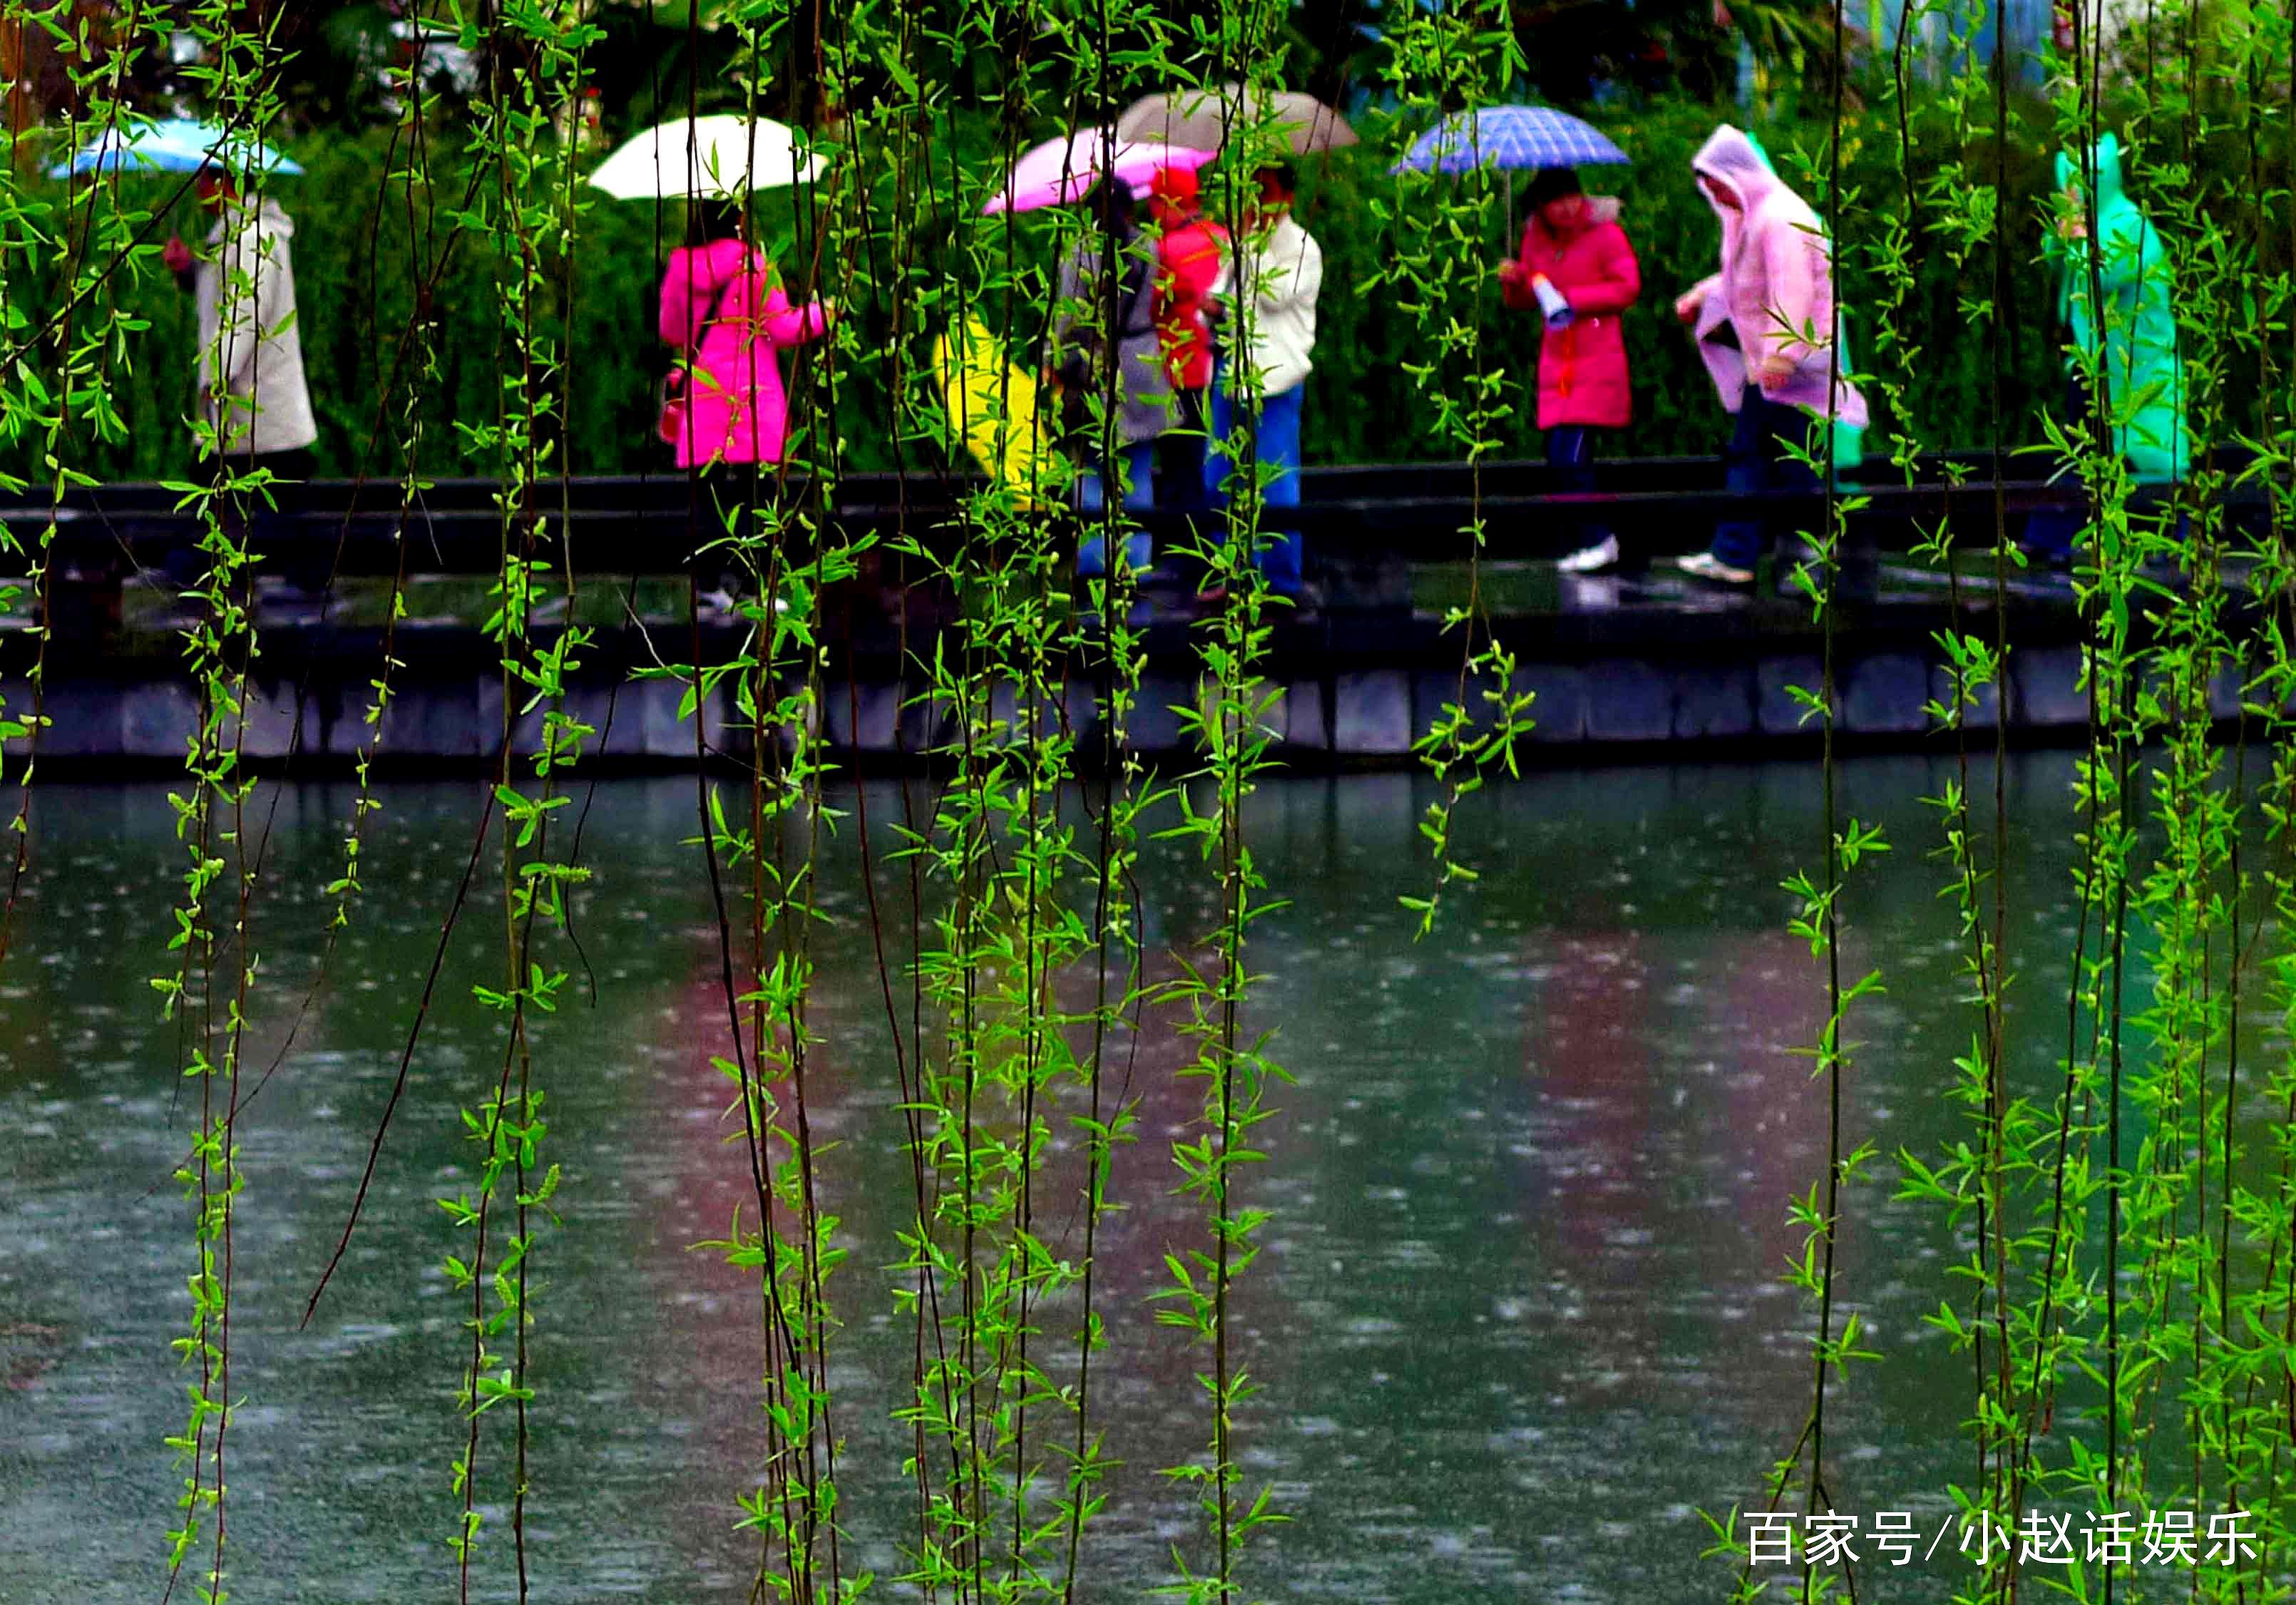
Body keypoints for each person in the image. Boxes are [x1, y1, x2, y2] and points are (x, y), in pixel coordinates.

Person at [1671, 125, 1868, 586]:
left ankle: (1761, 553)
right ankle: (1760, 553)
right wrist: (1702, 296)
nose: (1713, 190)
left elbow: (1792, 286)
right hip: (1784, 368)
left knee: (1775, 459)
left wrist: (1780, 356)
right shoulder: (1758, 217)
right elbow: (1744, 280)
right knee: (1772, 458)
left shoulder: (1778, 217)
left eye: (1715, 178)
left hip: (1793, 368)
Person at [2026, 131, 2188, 568]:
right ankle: (2051, 534)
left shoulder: (2129, 224)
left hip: (2138, 366)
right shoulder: (2097, 222)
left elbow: (2102, 274)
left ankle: (2169, 537)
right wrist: (2064, 232)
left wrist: (2077, 237)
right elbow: (2055, 259)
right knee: (2086, 448)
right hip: (2097, 364)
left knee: (2149, 452)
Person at [161, 165, 319, 596]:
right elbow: (223, 298)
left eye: (205, 184)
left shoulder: (251, 239)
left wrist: (216, 376)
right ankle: (203, 576)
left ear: (225, 184)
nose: (200, 194)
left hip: (253, 400)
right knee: (247, 497)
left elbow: (246, 316)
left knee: (256, 500)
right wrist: (188, 271)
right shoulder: (235, 237)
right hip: (244, 405)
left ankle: (196, 579)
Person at [1497, 166, 1641, 574]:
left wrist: (1573, 299)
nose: (1567, 208)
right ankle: (1584, 540)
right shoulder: (1535, 239)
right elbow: (1528, 299)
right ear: (1540, 206)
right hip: (1558, 362)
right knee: (1559, 456)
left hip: (1595, 357)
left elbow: (1627, 286)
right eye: (1556, 201)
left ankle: (1599, 538)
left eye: (1572, 198)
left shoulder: (1606, 235)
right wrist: (1513, 282)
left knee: (1573, 452)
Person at [1201, 160, 1323, 600]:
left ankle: (1280, 584)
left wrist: (1247, 243)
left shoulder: (1303, 247)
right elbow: (1221, 294)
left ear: (1287, 197)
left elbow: (1274, 295)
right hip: (1233, 372)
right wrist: (1210, 307)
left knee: (1274, 485)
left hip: (1278, 378)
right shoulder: (1241, 243)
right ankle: (1231, 575)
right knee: (1218, 477)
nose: (1256, 200)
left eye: (1265, 190)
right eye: (1250, 190)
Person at [1047, 177, 1171, 578]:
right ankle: (1137, 563)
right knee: (1138, 470)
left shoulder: (1082, 254)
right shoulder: (1149, 247)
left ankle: (1095, 563)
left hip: (1098, 367)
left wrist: (1053, 361)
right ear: (1130, 209)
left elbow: (1068, 320)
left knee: (1089, 467)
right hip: (1143, 363)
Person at [657, 198, 834, 473]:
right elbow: (784, 329)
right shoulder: (754, 266)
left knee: (706, 507)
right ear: (739, 220)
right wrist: (822, 313)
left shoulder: (681, 269)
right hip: (753, 405)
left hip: (703, 404)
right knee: (757, 506)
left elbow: (671, 331)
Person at [1147, 164, 1226, 521]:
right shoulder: (1224, 239)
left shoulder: (1163, 250)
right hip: (1224, 368)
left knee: (1181, 467)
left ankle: (1187, 558)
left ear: (1166, 202)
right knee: (1218, 462)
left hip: (1178, 370)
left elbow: (1149, 307)